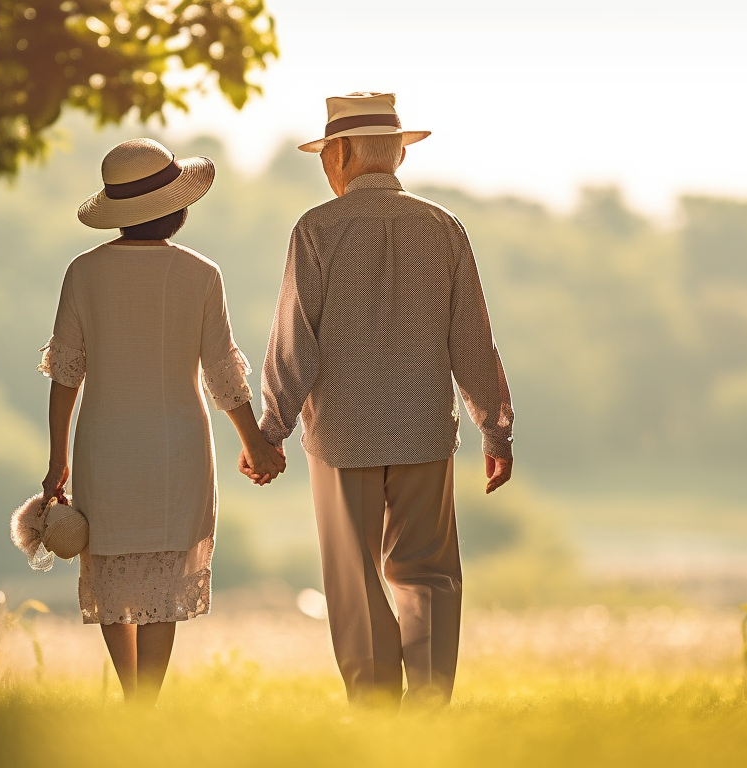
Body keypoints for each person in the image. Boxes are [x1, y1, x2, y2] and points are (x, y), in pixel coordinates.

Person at [254, 92, 516, 706]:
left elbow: (296, 338)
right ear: (396, 153)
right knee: (427, 572)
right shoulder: (444, 227)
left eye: (326, 153)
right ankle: (428, 706)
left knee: (355, 577)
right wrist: (495, 429)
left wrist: (272, 428)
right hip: (426, 429)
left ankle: (374, 708)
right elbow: (472, 336)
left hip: (342, 436)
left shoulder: (316, 229)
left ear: (341, 153)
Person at [38, 138, 285, 704]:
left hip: (104, 443)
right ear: (177, 208)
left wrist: (58, 461)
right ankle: (147, 701)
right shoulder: (201, 274)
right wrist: (256, 444)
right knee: (161, 578)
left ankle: (133, 697)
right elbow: (222, 372)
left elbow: (65, 376)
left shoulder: (83, 273)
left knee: (112, 568)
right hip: (177, 447)